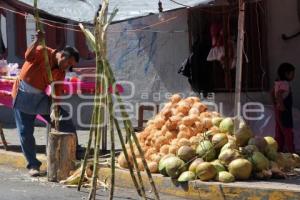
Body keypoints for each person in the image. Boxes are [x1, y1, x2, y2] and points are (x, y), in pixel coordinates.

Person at [12, 30, 80, 177]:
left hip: (42, 97)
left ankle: (75, 153)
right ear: (62, 55)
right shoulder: (43, 51)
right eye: (68, 63)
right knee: (25, 132)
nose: (67, 67)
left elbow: (57, 91)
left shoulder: (61, 72)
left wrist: (55, 109)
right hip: (23, 94)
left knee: (65, 120)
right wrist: (37, 40)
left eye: (71, 66)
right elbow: (27, 56)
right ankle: (33, 165)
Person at [271, 63, 296, 153]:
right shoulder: (285, 84)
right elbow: (279, 94)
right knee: (287, 131)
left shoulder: (277, 82)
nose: (293, 76)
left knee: (279, 131)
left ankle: (278, 150)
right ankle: (291, 152)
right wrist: (281, 105)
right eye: (292, 74)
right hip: (284, 111)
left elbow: (273, 93)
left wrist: (275, 104)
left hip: (278, 110)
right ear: (286, 74)